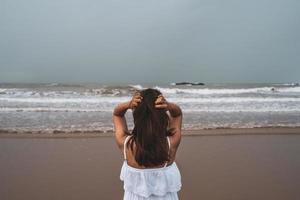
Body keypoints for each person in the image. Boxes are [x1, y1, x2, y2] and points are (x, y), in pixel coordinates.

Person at [113, 88, 182, 200]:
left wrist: (128, 104)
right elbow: (177, 114)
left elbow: (117, 114)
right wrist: (168, 105)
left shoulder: (125, 143)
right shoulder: (171, 143)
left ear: (137, 116)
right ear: (162, 116)